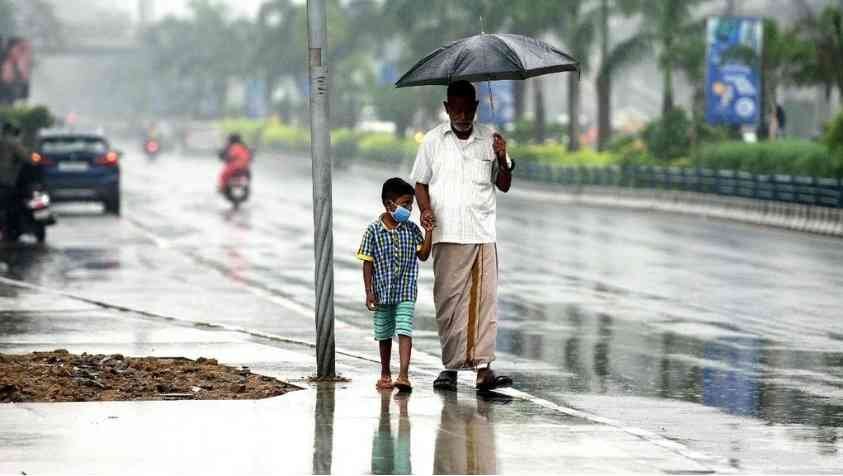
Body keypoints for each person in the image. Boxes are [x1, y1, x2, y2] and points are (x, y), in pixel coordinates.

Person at [410, 80, 515, 392]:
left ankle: (483, 369)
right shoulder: (432, 141)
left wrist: (501, 156)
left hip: (481, 232)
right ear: (446, 108)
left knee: (483, 303)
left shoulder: (490, 140)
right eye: (455, 108)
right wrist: (425, 211)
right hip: (446, 233)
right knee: (449, 302)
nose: (462, 113)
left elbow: (505, 183)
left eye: (467, 107)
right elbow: (420, 183)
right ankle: (450, 368)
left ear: (476, 107)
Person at [357, 177, 433, 392]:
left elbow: (424, 255)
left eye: (411, 204)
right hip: (382, 291)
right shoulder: (373, 231)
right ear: (390, 205)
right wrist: (369, 291)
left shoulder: (411, 229)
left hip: (406, 290)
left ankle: (404, 375)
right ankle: (385, 372)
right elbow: (367, 263)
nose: (409, 208)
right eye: (406, 203)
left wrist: (429, 232)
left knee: (404, 328)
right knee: (384, 333)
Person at [0, 123, 27, 235]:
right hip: (8, 178)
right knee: (12, 204)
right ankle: (11, 227)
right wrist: (37, 158)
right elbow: (26, 157)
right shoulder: (13, 143)